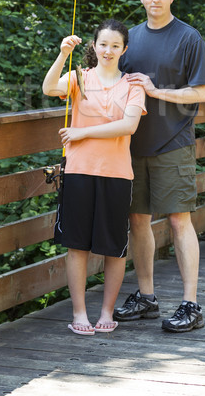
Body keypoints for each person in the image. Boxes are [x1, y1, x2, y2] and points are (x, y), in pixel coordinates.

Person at [113, 0, 205, 333]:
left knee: (177, 220)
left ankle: (191, 305)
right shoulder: (129, 39)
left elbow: (203, 92)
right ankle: (146, 298)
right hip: (132, 144)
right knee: (137, 220)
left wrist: (157, 92)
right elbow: (109, 83)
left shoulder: (189, 38)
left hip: (173, 143)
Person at [42, 19, 146, 336]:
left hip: (116, 173)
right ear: (94, 46)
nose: (108, 50)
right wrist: (62, 54)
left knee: (113, 247)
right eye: (103, 44)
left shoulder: (135, 85)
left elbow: (128, 126)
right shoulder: (79, 78)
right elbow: (48, 89)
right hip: (78, 170)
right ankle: (79, 313)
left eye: (115, 46)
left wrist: (82, 132)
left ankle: (106, 311)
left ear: (124, 49)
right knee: (78, 246)